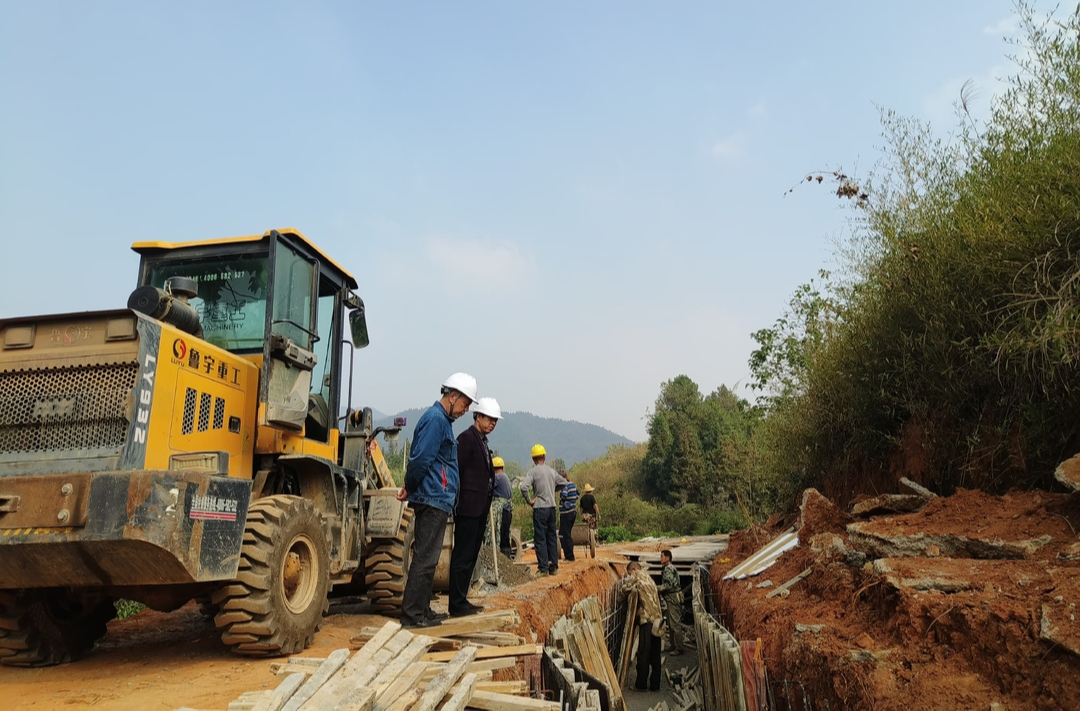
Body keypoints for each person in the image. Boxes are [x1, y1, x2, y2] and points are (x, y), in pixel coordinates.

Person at [396, 372, 478, 628]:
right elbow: (420, 459)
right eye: (465, 404)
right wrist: (410, 485)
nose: (465, 410)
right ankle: (412, 615)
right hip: (432, 497)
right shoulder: (435, 420)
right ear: (452, 396)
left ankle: (423, 610)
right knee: (425, 558)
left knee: (429, 558)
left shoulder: (442, 422)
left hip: (437, 498)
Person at [448, 397, 501, 617]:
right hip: (468, 509)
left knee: (470, 555)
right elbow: (455, 470)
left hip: (478, 509)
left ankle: (462, 599)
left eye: (495, 421)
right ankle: (456, 603)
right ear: (477, 416)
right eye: (489, 418)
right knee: (462, 555)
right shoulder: (467, 439)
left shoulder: (482, 441)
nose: (492, 424)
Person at [519, 444, 568, 576]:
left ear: (533, 459)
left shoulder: (532, 472)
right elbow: (564, 483)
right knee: (551, 537)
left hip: (540, 508)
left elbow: (524, 487)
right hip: (552, 508)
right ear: (544, 456)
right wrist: (553, 490)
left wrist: (529, 500)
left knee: (540, 538)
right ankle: (554, 567)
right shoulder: (552, 471)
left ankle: (543, 568)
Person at [617, 561, 665, 692]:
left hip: (647, 620)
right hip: (658, 620)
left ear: (633, 569)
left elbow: (624, 589)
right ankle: (655, 685)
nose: (629, 575)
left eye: (629, 573)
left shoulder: (636, 575)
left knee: (644, 652)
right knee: (655, 654)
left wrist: (619, 600)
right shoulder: (649, 578)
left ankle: (641, 684)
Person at [657, 549, 685, 655]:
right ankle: (673, 646)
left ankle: (679, 648)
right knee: (671, 623)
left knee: (675, 624)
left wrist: (658, 588)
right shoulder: (668, 568)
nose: (660, 558)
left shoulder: (668, 569)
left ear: (667, 558)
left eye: (662, 556)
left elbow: (669, 585)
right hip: (672, 598)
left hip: (673, 598)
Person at [491, 457, 513, 557]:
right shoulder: (505, 477)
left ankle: (503, 558)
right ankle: (506, 557)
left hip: (502, 511)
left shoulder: (498, 477)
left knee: (501, 534)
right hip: (507, 510)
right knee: (505, 534)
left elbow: (487, 486)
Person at [557, 475, 579, 562]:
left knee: (564, 535)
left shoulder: (564, 486)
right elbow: (577, 494)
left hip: (566, 513)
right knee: (566, 534)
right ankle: (568, 555)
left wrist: (563, 501)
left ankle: (569, 556)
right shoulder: (572, 485)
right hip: (572, 512)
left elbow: (564, 495)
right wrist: (572, 502)